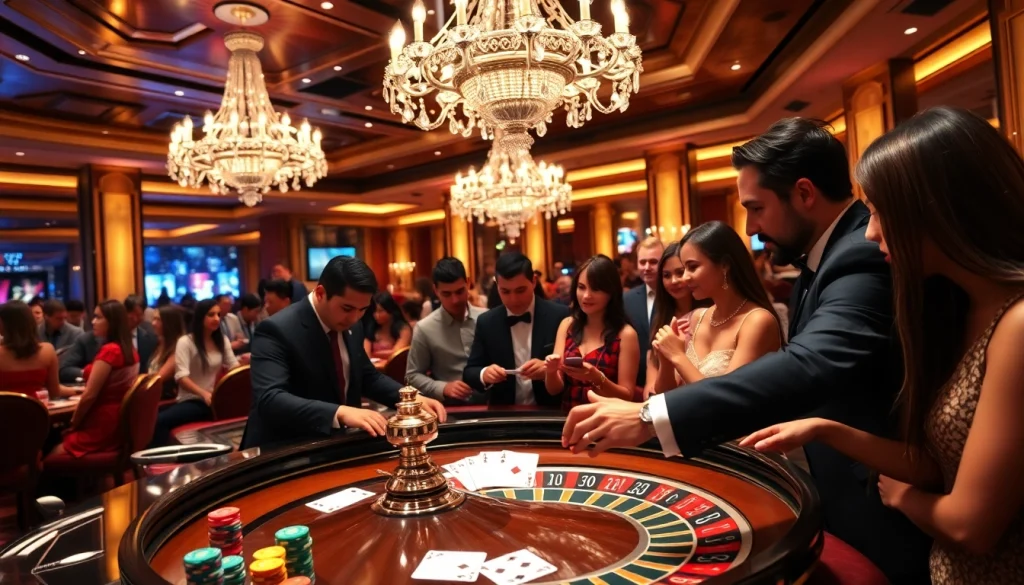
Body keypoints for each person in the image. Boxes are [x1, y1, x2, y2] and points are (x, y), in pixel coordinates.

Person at [561, 117, 932, 584]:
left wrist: (647, 417)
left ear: (803, 193)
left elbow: (811, 365)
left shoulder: (858, 255)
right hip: (841, 488)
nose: (752, 229)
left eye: (756, 208)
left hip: (885, 502)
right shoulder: (823, 260)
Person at [740, 107, 1024, 585]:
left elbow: (970, 524)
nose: (870, 233)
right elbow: (939, 460)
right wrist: (826, 429)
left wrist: (903, 496)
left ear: (937, 209)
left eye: (878, 212)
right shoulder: (961, 308)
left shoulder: (1017, 324)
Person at [241, 256, 446, 450]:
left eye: (362, 310)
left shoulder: (352, 323)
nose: (354, 318)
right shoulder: (276, 329)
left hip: (334, 446)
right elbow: (270, 398)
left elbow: (366, 376)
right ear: (321, 293)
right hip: (281, 451)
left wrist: (409, 400)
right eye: (347, 308)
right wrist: (338, 412)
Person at [649, 221, 783, 391]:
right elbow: (665, 393)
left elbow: (726, 399)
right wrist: (666, 359)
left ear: (725, 265)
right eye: (684, 269)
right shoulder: (698, 317)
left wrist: (677, 356)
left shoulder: (757, 321)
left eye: (692, 267)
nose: (685, 277)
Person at [464, 252, 569, 407]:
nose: (513, 300)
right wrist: (484, 373)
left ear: (533, 281)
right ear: (497, 285)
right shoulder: (487, 322)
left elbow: (575, 368)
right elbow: (470, 372)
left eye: (520, 290)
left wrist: (550, 371)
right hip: (504, 415)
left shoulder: (560, 316)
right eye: (505, 291)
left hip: (550, 412)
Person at [544, 255, 640, 411]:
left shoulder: (625, 335)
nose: (586, 295)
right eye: (581, 287)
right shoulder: (567, 325)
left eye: (595, 289)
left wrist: (596, 377)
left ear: (611, 292)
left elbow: (627, 396)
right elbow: (554, 389)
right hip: (568, 420)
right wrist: (551, 371)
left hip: (606, 423)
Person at [53, 300, 140, 457]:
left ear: (112, 322)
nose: (93, 322)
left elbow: (90, 396)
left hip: (101, 424)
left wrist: (74, 423)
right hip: (121, 421)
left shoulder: (110, 351)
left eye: (98, 317)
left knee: (50, 454)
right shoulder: (128, 349)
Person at [151, 299, 238, 446]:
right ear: (200, 317)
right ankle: (157, 462)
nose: (216, 319)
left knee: (160, 420)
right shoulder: (186, 342)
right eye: (211, 315)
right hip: (192, 399)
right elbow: (181, 376)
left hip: (211, 402)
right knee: (152, 418)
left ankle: (162, 462)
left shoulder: (222, 340)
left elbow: (234, 367)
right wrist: (203, 394)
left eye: (218, 314)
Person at [406, 257, 487, 405]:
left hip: (493, 403)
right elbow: (412, 376)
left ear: (468, 283)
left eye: (459, 291)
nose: (455, 300)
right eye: (447, 294)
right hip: (451, 407)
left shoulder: (487, 318)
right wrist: (443, 387)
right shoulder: (425, 328)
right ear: (436, 291)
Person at [643, 241, 705, 397]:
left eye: (680, 272)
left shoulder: (709, 314)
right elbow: (652, 386)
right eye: (666, 275)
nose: (674, 281)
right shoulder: (661, 319)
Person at [0, 301, 66, 399]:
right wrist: (79, 390)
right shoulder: (47, 351)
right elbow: (55, 392)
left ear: (4, 324)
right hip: (38, 412)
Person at [623, 237, 663, 387]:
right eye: (642, 262)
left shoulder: (678, 296)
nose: (647, 267)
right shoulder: (626, 300)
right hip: (635, 382)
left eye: (653, 262)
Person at [150, 305, 186, 399]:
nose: (153, 323)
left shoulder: (178, 348)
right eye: (153, 319)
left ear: (169, 323)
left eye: (158, 320)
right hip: (154, 397)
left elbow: (157, 379)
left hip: (168, 400)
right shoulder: (161, 343)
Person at [363, 291, 412, 359]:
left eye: (381, 311)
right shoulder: (371, 328)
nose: (376, 315)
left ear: (391, 311)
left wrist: (374, 354)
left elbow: (397, 353)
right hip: (374, 368)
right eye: (374, 311)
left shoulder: (403, 328)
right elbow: (366, 354)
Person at [124, 294, 157, 368]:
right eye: (132, 315)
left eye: (139, 315)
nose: (135, 319)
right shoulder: (112, 335)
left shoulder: (150, 339)